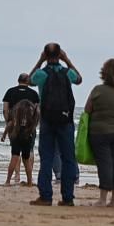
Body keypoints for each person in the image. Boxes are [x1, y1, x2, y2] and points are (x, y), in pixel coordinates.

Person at [29, 43, 82, 206]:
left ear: (45, 55)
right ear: (59, 55)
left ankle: (45, 196)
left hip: (47, 119)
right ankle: (67, 197)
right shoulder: (67, 73)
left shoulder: (41, 74)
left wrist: (39, 61)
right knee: (68, 158)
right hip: (65, 120)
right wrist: (67, 60)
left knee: (47, 157)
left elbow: (30, 80)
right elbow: (79, 79)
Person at [84, 58, 114, 207]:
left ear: (104, 73)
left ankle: (103, 199)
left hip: (100, 132)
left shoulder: (98, 90)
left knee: (105, 164)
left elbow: (87, 109)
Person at [2, 73, 39, 186]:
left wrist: (8, 123)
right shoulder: (33, 94)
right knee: (28, 155)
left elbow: (5, 109)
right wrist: (33, 126)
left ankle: (10, 179)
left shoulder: (10, 92)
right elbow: (37, 112)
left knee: (15, 154)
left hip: (15, 128)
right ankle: (29, 181)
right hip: (29, 129)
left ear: (18, 80)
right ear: (28, 81)